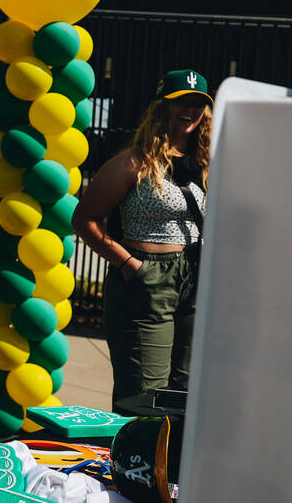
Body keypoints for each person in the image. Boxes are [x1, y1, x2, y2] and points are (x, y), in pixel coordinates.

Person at [72, 69, 213, 409]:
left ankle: (173, 463)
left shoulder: (207, 164)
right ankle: (134, 461)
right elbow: (84, 218)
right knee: (144, 394)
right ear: (161, 106)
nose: (190, 109)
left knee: (187, 391)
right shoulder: (134, 162)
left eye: (198, 103)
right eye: (181, 101)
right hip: (147, 277)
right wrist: (130, 264)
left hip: (195, 277)